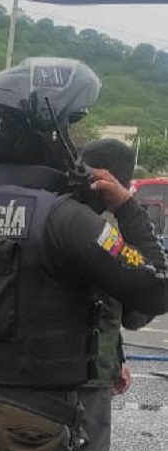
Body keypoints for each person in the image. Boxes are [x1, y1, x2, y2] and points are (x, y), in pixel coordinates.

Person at [0, 57, 168, 451]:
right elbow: (156, 290)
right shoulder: (69, 221)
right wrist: (127, 207)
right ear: (44, 132)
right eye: (67, 129)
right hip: (37, 425)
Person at [78, 138, 154, 450]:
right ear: (121, 184)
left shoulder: (57, 215)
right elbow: (141, 302)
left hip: (40, 369)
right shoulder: (113, 237)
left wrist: (118, 356)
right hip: (91, 372)